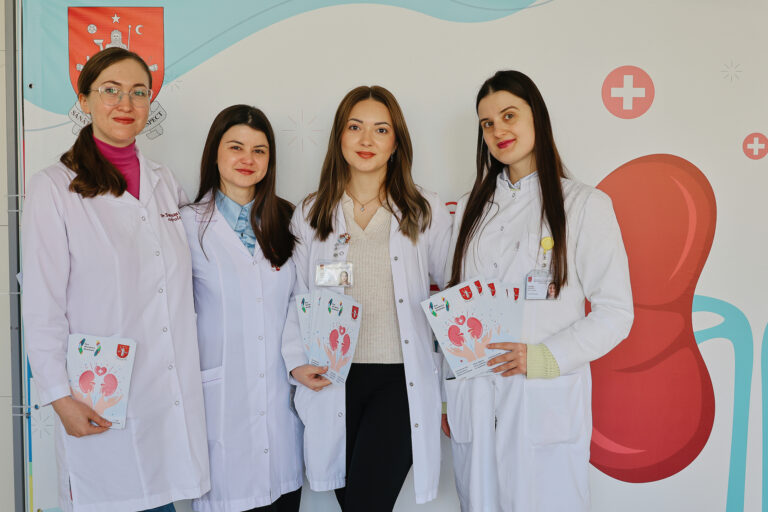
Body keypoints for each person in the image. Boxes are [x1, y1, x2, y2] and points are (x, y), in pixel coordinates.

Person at [21, 47, 208, 512]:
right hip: (97, 400)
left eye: (138, 92)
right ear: (84, 100)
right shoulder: (53, 187)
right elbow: (42, 306)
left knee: (162, 499)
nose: (126, 103)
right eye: (111, 90)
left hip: (164, 399)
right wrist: (59, 398)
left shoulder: (166, 183)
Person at [443, 70, 634, 511]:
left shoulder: (583, 205)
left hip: (541, 401)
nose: (498, 131)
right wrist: (447, 395)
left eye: (508, 115)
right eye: (487, 123)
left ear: (537, 118)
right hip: (477, 401)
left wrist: (546, 357)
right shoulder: (470, 210)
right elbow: (456, 310)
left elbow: (616, 312)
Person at [281, 86, 452, 511]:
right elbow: (298, 295)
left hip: (399, 380)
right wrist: (296, 360)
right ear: (339, 136)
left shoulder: (423, 209)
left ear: (396, 142)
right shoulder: (312, 212)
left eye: (381, 129)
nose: (366, 140)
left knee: (366, 504)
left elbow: (452, 288)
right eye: (355, 127)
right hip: (332, 378)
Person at [181, 105, 303, 512]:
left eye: (259, 150)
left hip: (281, 410)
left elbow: (301, 305)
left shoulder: (290, 221)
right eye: (236, 147)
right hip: (219, 408)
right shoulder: (185, 224)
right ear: (214, 153)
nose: (248, 159)